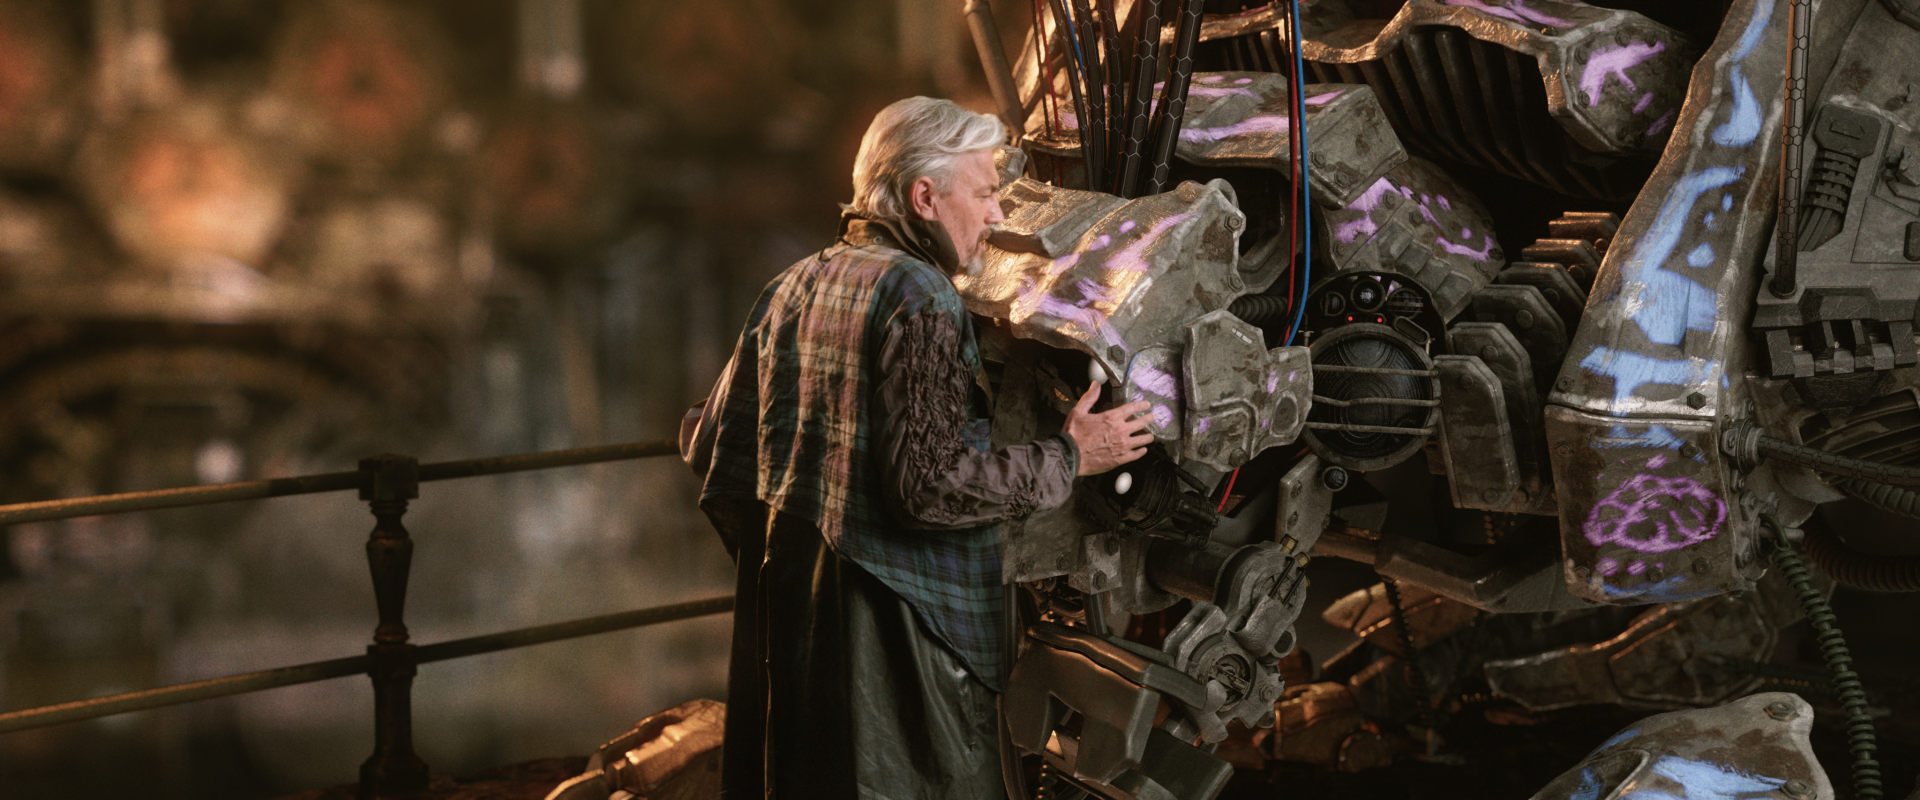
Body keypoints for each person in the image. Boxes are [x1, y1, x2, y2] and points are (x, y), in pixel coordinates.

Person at [681, 96, 1153, 799]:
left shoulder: (797, 281)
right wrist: (1071, 455)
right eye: (985, 193)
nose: (996, 215)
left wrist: (818, 473)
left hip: (798, 620)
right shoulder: (918, 293)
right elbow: (929, 490)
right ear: (925, 197)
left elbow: (708, 439)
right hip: (901, 644)